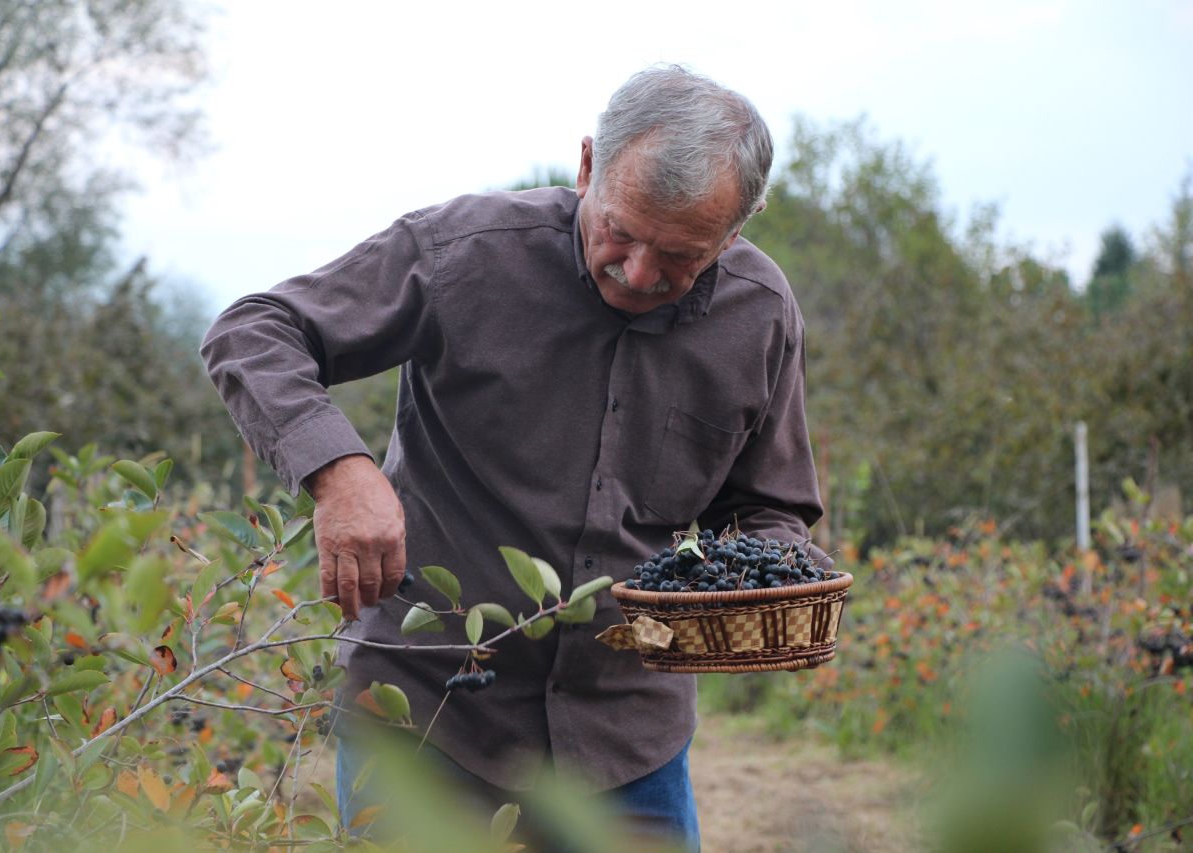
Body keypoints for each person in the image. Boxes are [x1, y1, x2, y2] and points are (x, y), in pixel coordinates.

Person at [201, 64, 825, 851]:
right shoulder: (464, 254)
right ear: (589, 166)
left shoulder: (759, 314)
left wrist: (764, 587)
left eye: (681, 257)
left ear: (738, 228)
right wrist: (340, 472)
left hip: (624, 736)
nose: (637, 273)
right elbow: (254, 329)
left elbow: (769, 508)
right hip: (427, 715)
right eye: (621, 232)